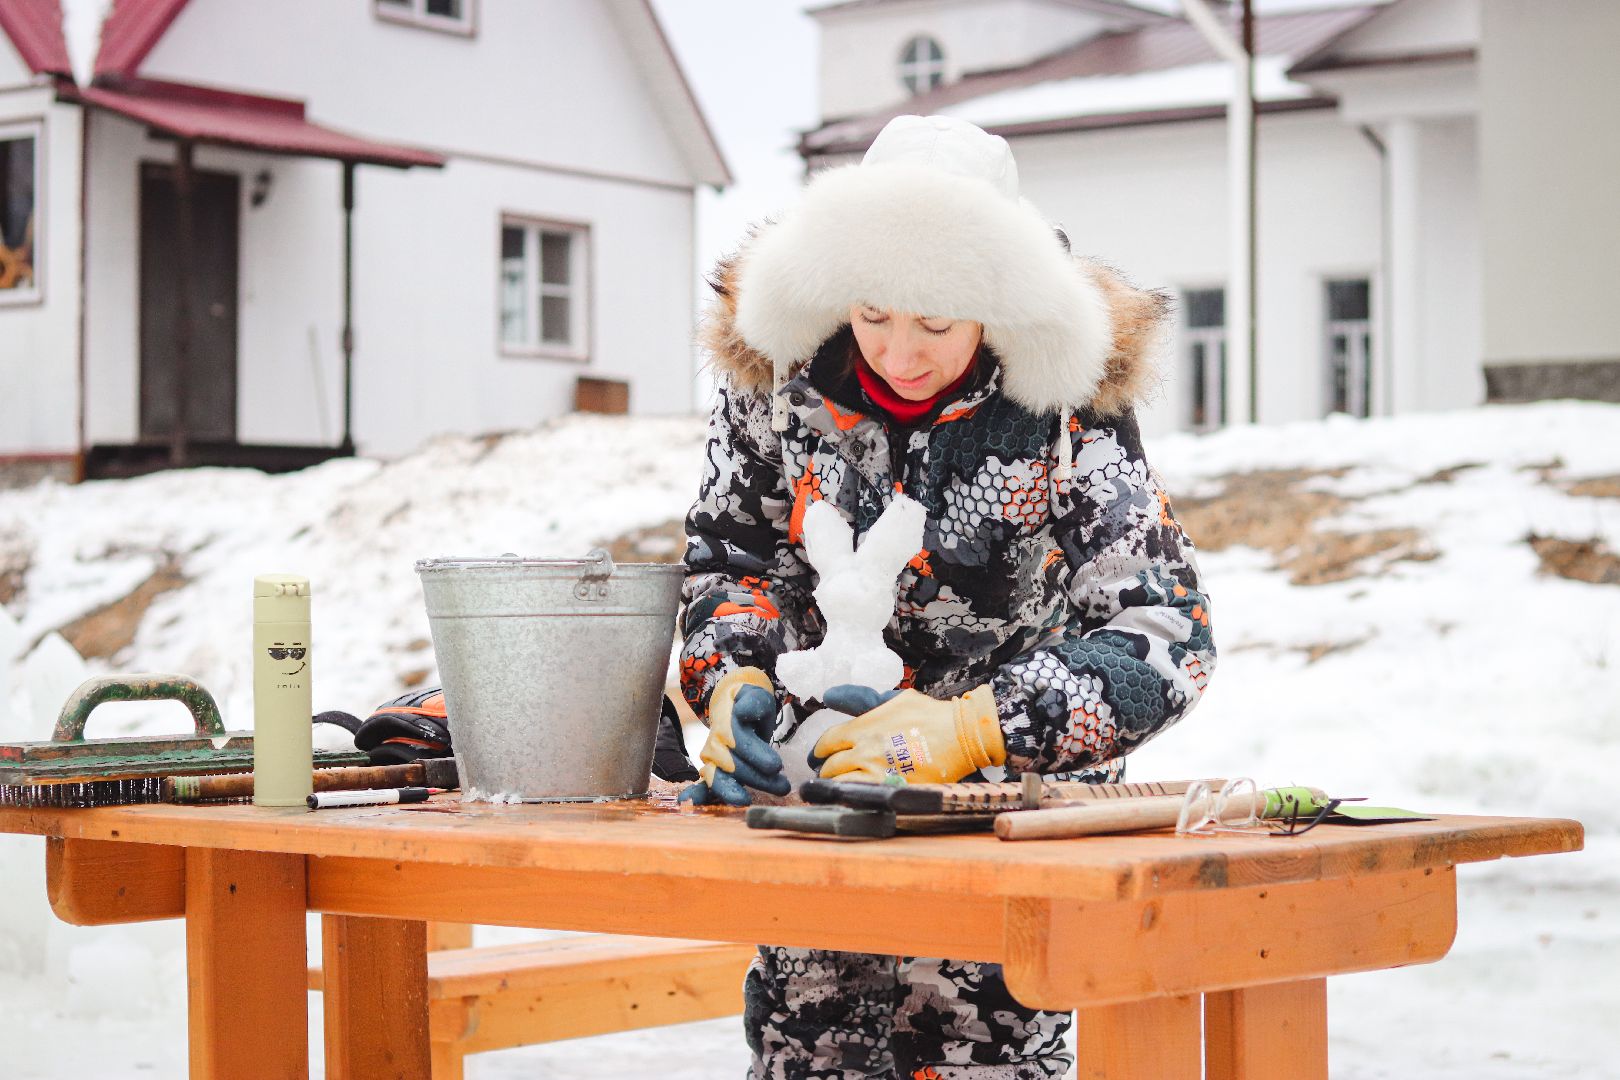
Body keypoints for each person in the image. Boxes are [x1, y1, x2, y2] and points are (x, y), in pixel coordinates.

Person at [677, 114, 1216, 1080]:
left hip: (999, 845)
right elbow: (731, 558)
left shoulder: (1068, 410)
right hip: (818, 819)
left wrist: (975, 726)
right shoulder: (777, 382)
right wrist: (732, 675)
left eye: (937, 323)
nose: (900, 353)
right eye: (875, 314)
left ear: (998, 308)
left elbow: (1166, 633)